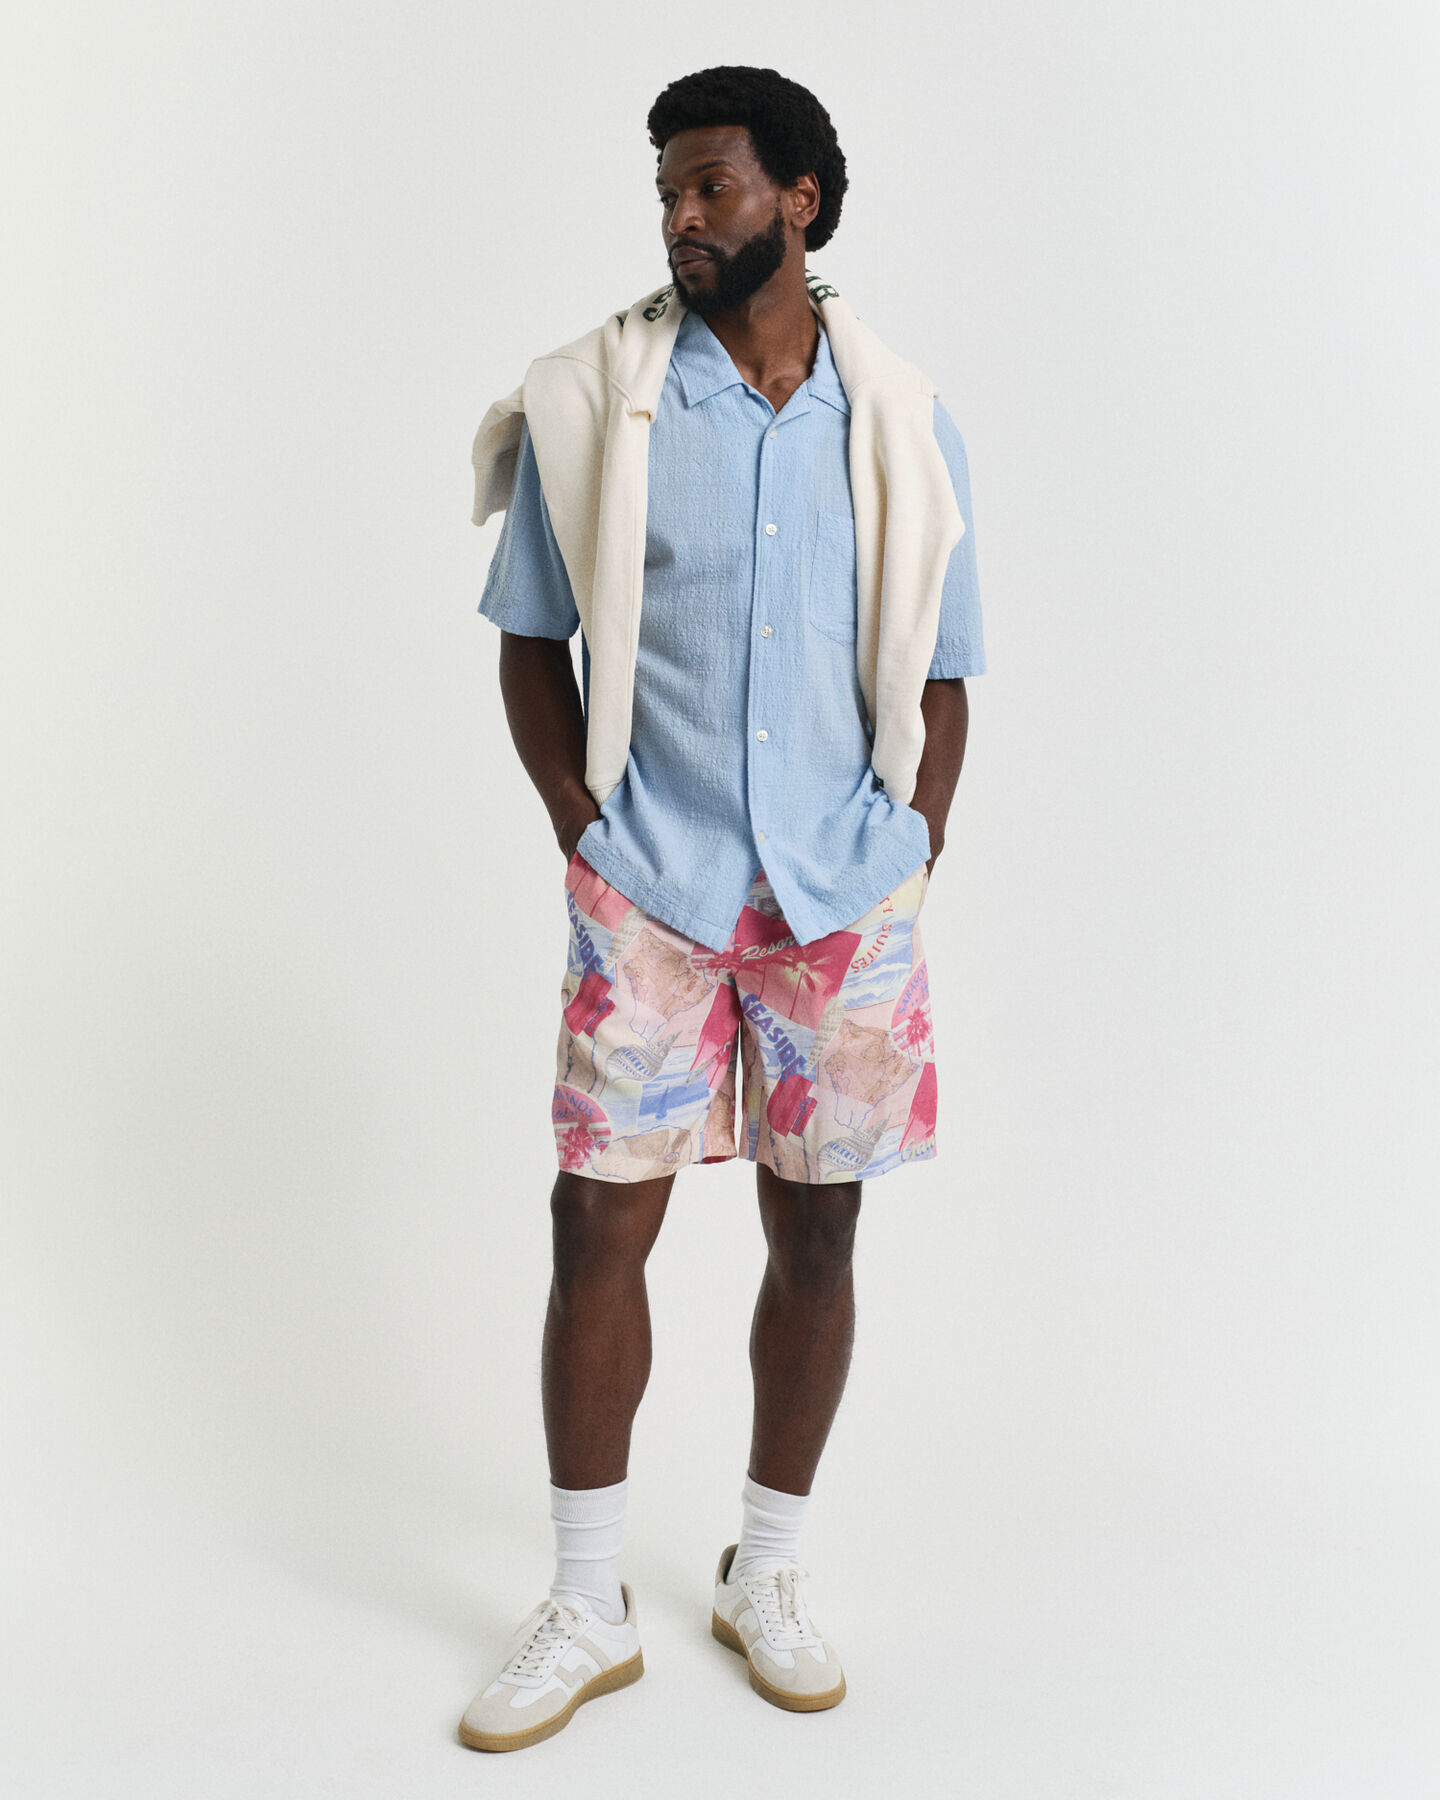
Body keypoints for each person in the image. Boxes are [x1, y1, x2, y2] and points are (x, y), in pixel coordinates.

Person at [459, 64, 986, 1752]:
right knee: (595, 1222)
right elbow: (529, 639)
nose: (682, 219)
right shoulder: (595, 406)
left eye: (712, 188)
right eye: (668, 194)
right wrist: (583, 828)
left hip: (843, 894)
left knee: (818, 1231)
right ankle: (584, 1600)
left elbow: (946, 665)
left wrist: (912, 844)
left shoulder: (897, 417)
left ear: (798, 200)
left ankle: (767, 1569)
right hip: (653, 888)